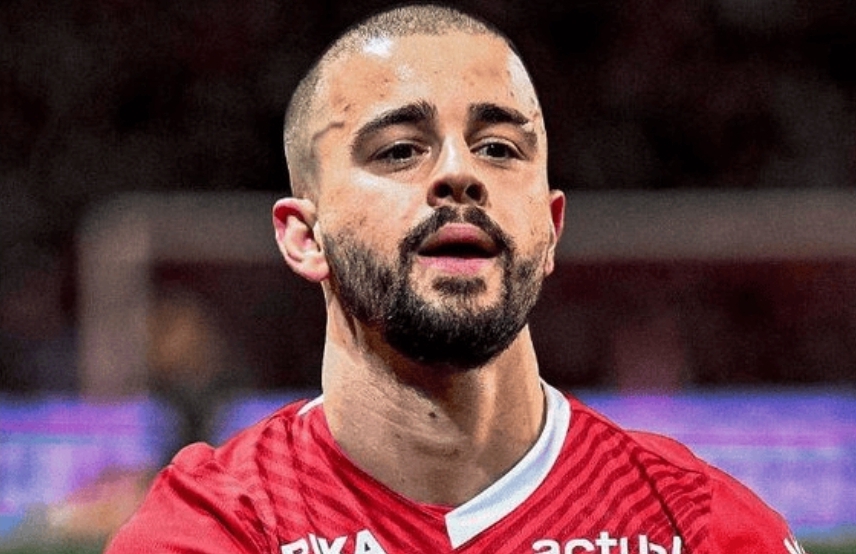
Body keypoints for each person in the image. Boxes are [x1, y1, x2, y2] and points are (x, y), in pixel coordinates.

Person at [105, 4, 805, 553]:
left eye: (498, 147)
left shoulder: (703, 530)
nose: (458, 172)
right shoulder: (211, 531)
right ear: (304, 237)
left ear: (550, 227)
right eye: (399, 150)